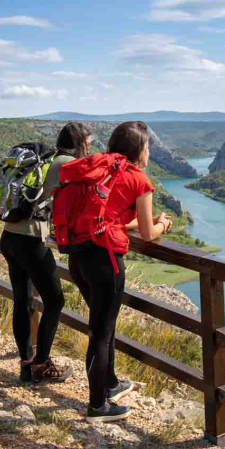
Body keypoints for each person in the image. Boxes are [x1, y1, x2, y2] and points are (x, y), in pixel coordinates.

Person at [66, 121, 173, 422]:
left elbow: (110, 216)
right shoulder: (139, 180)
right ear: (139, 150)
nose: (149, 152)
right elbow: (149, 234)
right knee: (101, 334)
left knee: (104, 326)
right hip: (105, 262)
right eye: (148, 146)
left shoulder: (102, 168)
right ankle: (97, 406)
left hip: (79, 257)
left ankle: (110, 384)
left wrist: (144, 222)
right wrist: (163, 224)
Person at [0, 121, 92, 385]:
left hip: (9, 236)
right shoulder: (68, 164)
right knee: (55, 301)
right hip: (30, 242)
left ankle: (26, 365)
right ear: (80, 143)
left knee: (22, 300)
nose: (90, 148)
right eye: (89, 143)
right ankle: (41, 364)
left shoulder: (46, 160)